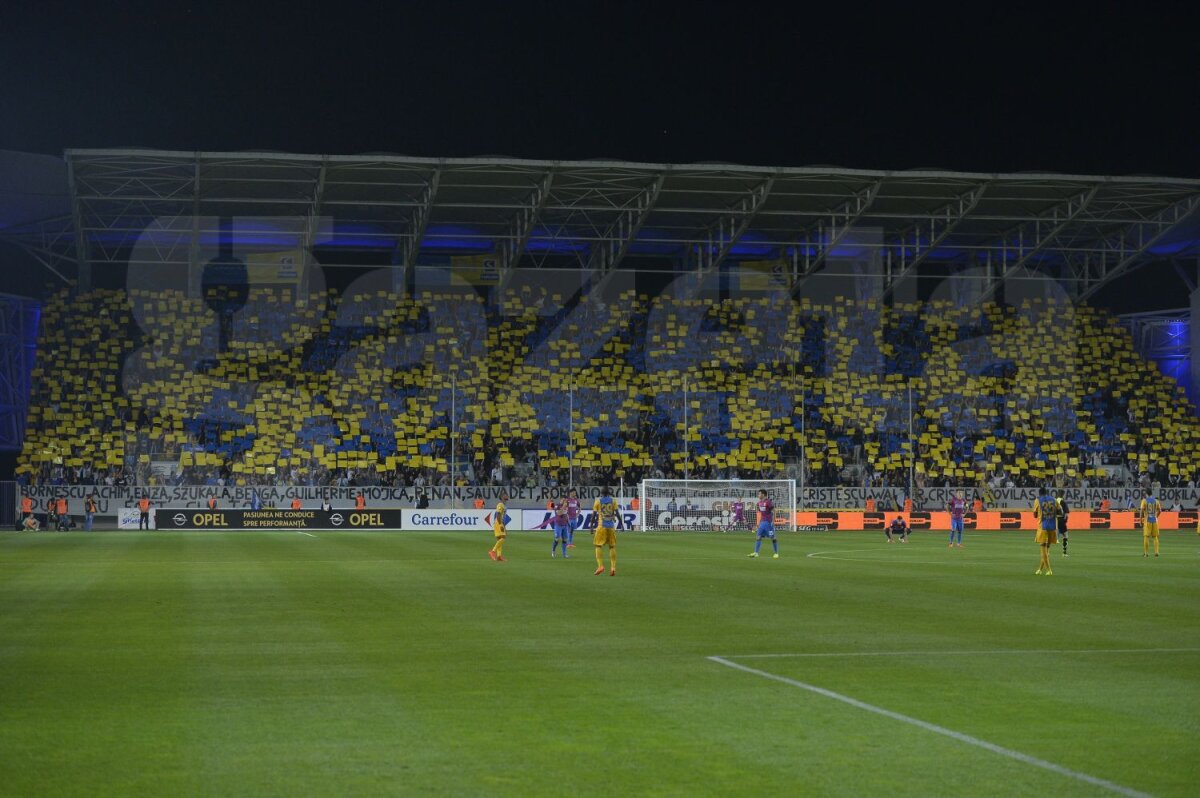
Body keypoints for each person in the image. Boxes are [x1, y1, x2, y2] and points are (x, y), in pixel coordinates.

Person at [593, 486, 621, 575]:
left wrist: (590, 527)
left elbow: (593, 515)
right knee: (612, 546)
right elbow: (617, 513)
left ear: (601, 494)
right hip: (611, 526)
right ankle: (613, 567)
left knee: (598, 545)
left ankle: (600, 566)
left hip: (601, 526)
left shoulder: (598, 502)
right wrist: (622, 525)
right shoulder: (613, 501)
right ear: (609, 493)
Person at [1033, 487, 1058, 575]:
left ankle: (1049, 570)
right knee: (1047, 549)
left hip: (1043, 527)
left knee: (1043, 547)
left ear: (1039, 493)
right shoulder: (1054, 499)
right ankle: (1040, 569)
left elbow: (1035, 515)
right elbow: (1060, 511)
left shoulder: (1037, 500)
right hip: (1052, 526)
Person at [748, 489, 779, 559]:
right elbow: (761, 512)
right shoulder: (759, 503)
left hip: (768, 523)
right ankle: (756, 553)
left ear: (763, 495)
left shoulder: (768, 502)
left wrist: (773, 521)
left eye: (759, 494)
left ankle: (776, 553)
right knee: (758, 537)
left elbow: (774, 510)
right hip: (762, 523)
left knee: (773, 538)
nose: (758, 495)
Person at [1139, 488, 1162, 558]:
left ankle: (1146, 553)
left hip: (1147, 520)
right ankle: (1156, 552)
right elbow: (1160, 511)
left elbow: (1141, 511)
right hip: (1154, 520)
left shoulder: (1144, 501)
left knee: (1146, 536)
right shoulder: (1156, 501)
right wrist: (1156, 516)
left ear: (1146, 493)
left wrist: (1140, 520)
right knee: (1155, 536)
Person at [488, 492, 509, 562]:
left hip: (499, 522)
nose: (507, 496)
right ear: (502, 497)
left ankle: (499, 556)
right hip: (498, 522)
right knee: (503, 538)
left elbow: (501, 516)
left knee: (499, 539)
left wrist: (504, 526)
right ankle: (493, 551)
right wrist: (500, 525)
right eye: (505, 495)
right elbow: (498, 515)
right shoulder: (500, 505)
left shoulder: (503, 505)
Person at [551, 493, 571, 558]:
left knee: (565, 539)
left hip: (565, 525)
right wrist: (563, 507)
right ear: (561, 499)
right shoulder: (557, 506)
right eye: (564, 500)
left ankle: (564, 554)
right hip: (558, 525)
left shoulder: (566, 506)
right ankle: (553, 551)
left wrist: (568, 524)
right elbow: (559, 513)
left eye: (566, 500)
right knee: (557, 539)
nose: (566, 502)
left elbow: (566, 515)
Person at [1055, 489, 1070, 556]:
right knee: (1065, 535)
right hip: (1061, 519)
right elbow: (1066, 512)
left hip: (1054, 520)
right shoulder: (1062, 502)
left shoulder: (1054, 501)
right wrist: (1065, 520)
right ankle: (1064, 553)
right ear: (1063, 495)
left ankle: (1046, 552)